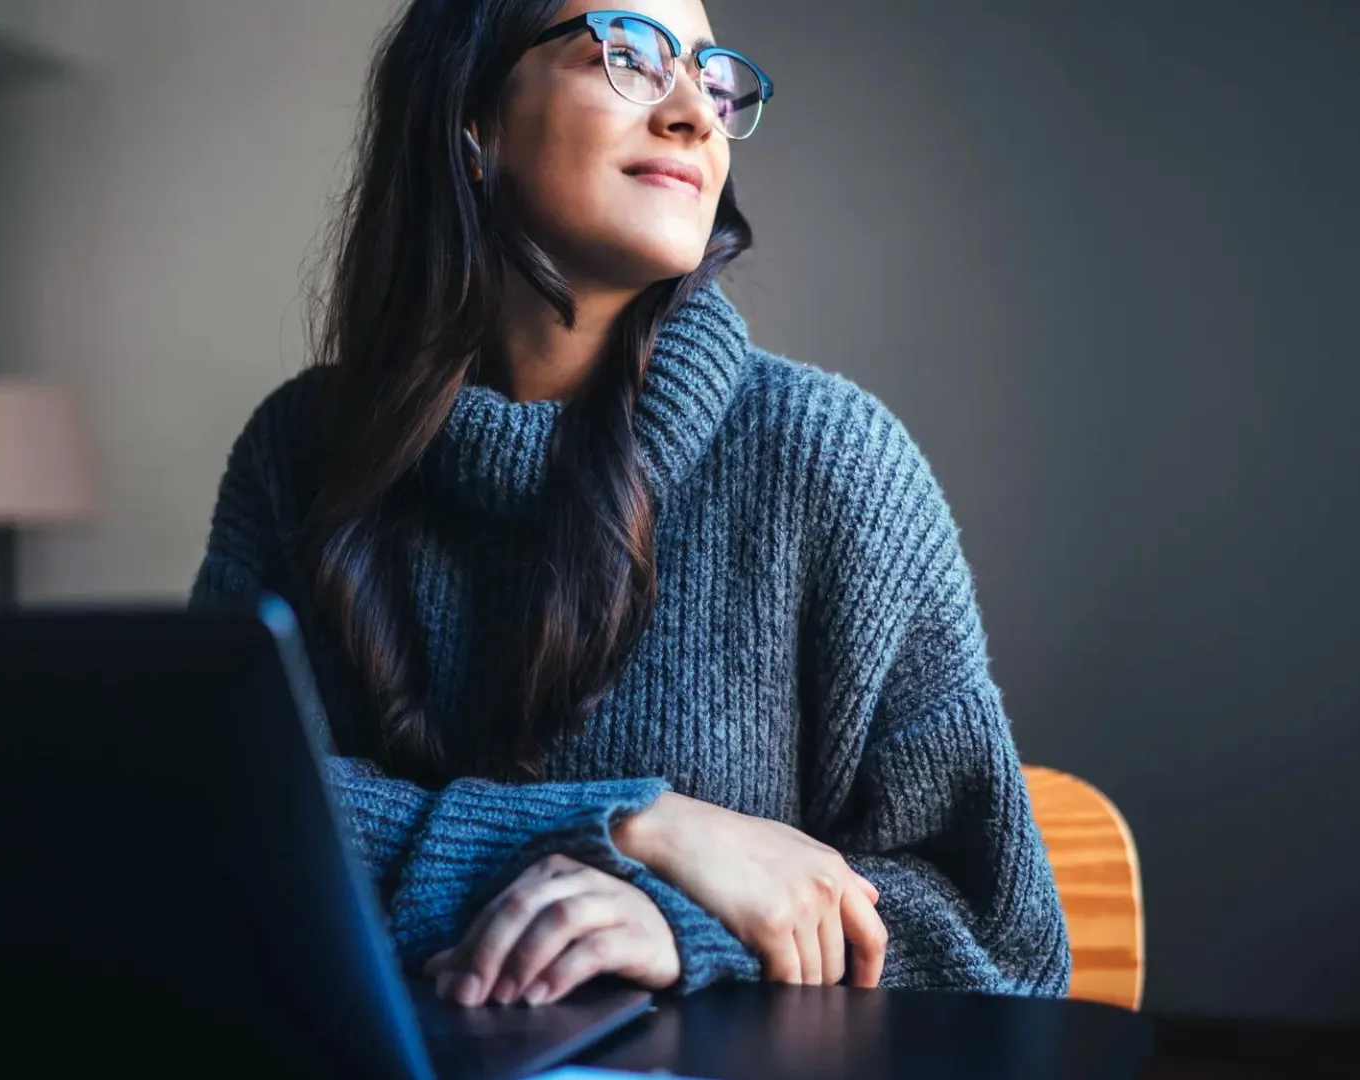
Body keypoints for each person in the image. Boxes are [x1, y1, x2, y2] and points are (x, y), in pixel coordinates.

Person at [191, 0, 1069, 1009]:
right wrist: (638, 827)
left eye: (711, 73)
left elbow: (997, 933)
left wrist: (689, 925)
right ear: (473, 119)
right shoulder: (298, 453)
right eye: (628, 54)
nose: (694, 109)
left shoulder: (829, 460)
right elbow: (213, 815)